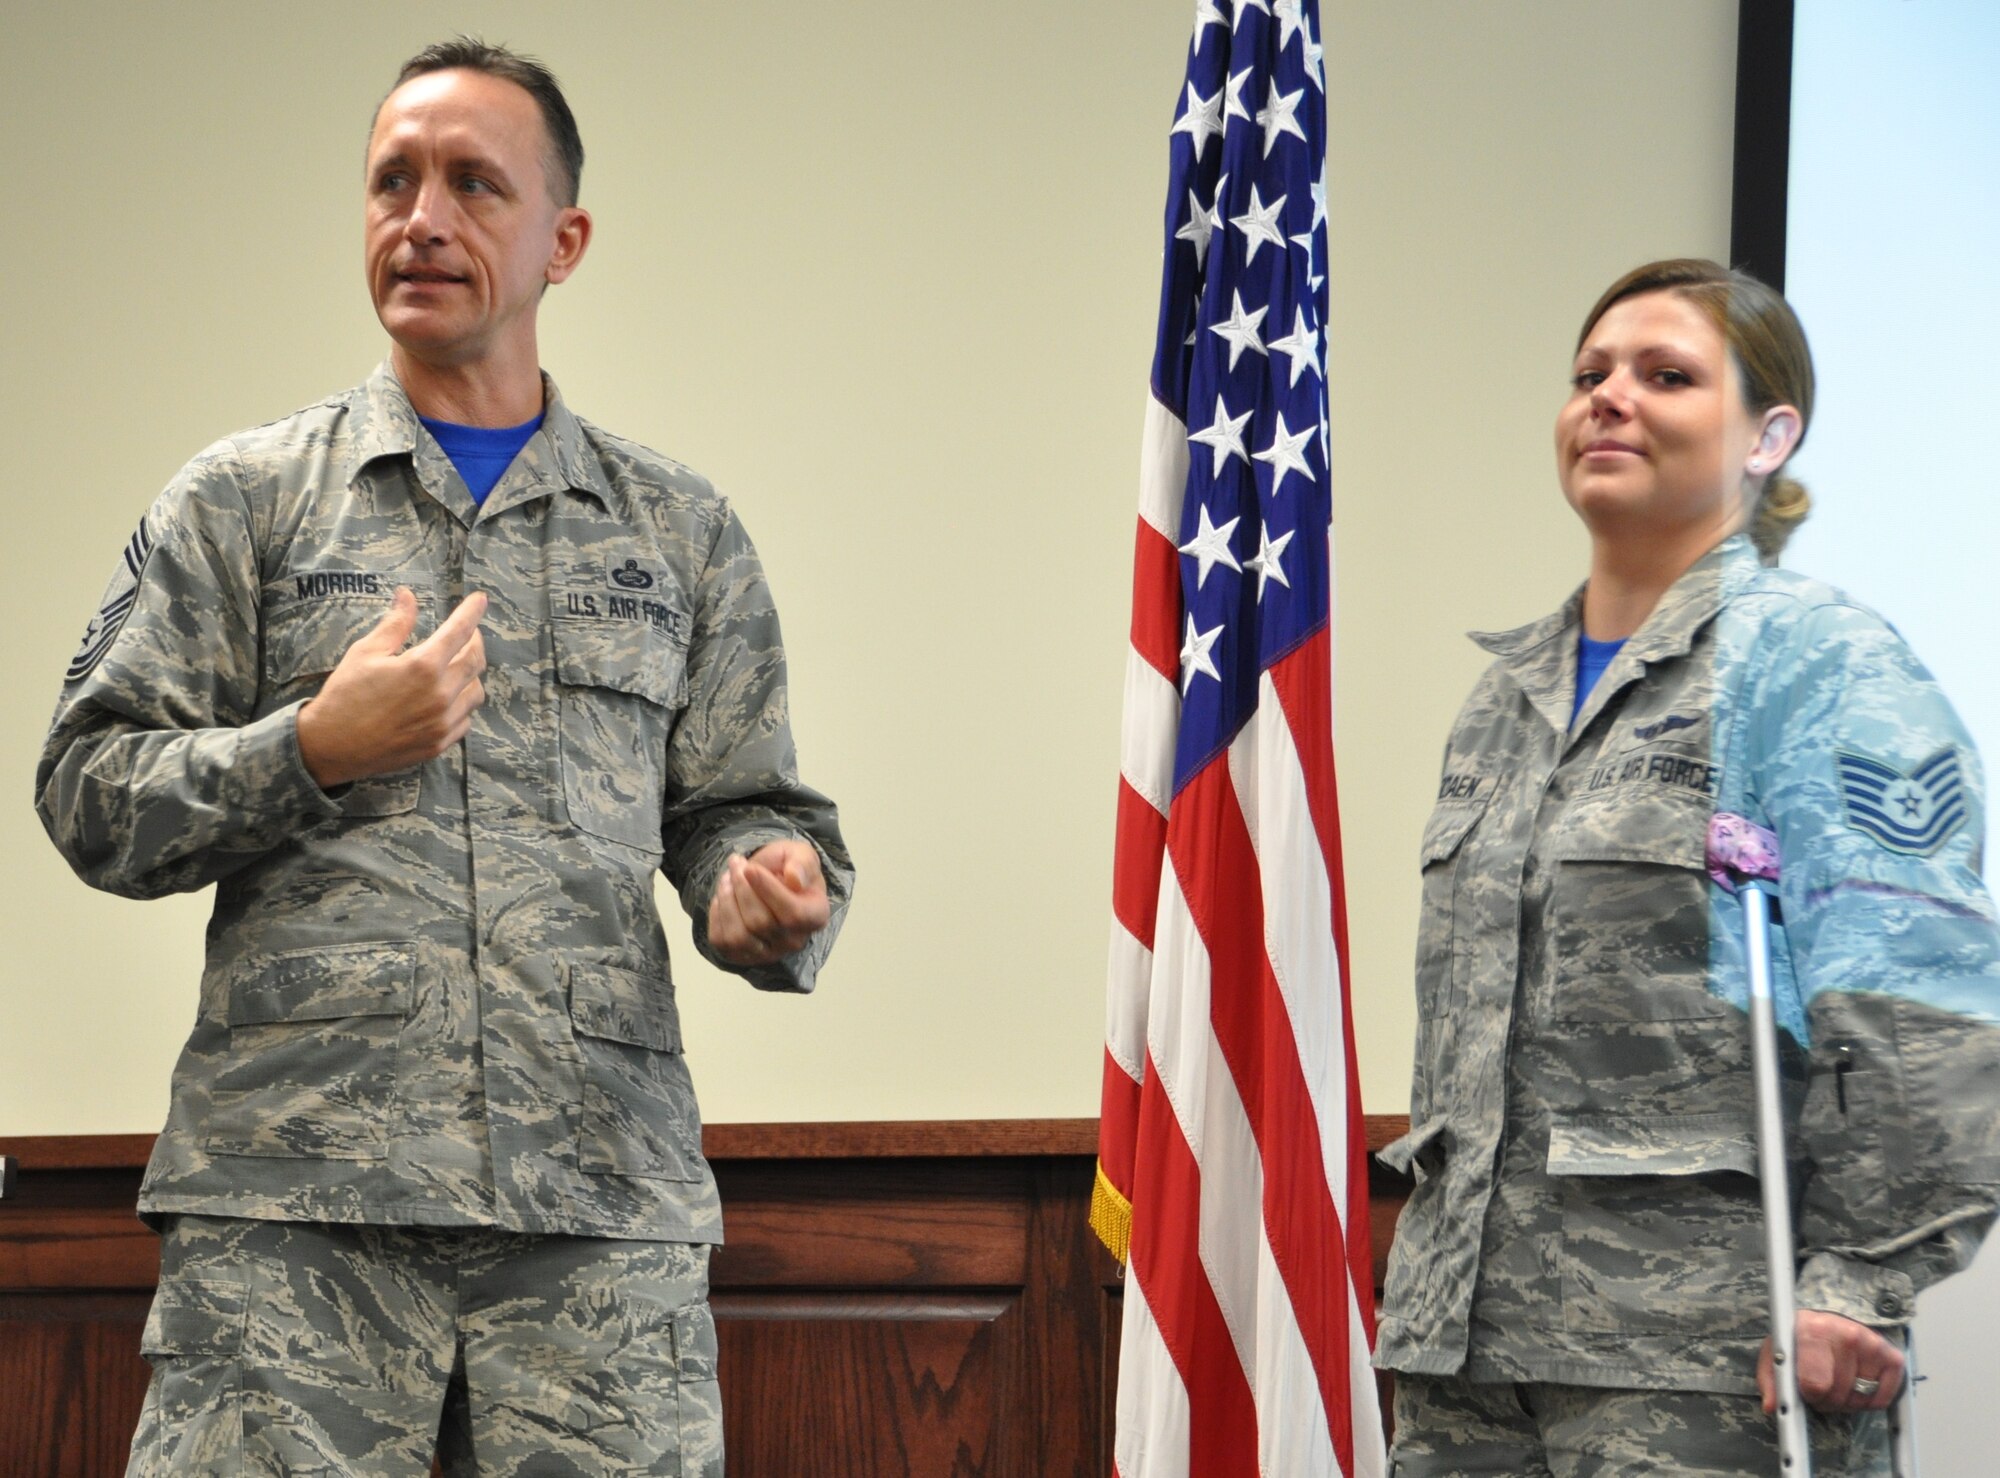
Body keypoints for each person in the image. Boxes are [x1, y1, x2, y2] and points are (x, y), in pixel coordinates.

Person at [35, 38, 852, 1477]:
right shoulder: (247, 502)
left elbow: (750, 809)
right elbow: (88, 787)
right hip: (297, 1234)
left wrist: (762, 888)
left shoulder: (678, 530)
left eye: (476, 185)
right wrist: (310, 747)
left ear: (563, 240)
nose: (424, 218)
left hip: (595, 1237)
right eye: (393, 181)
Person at [1373, 258, 2000, 1476]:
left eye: (1664, 375)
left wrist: (1852, 1288)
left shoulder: (1821, 668)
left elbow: (1923, 1008)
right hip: (1466, 1360)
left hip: (1706, 1358)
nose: (1608, 398)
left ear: (1770, 435)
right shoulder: (1501, 700)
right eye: (1587, 375)